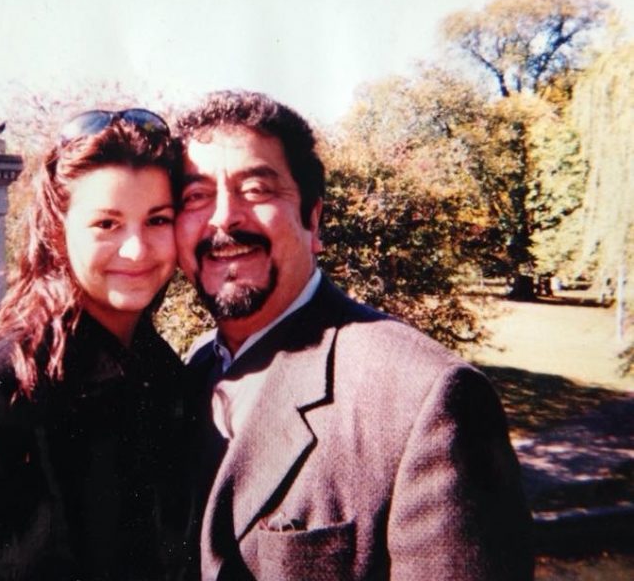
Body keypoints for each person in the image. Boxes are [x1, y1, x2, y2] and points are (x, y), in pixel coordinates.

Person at [173, 91, 533, 580]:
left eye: (256, 189)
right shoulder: (188, 371)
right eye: (195, 196)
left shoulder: (422, 396)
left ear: (314, 220)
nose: (223, 217)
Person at [0, 109, 197, 580]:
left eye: (157, 220)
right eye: (107, 224)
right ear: (58, 231)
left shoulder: (166, 372)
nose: (136, 250)